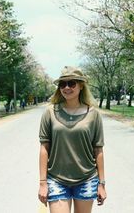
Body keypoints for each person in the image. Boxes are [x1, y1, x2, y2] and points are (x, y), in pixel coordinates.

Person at [38, 66, 107, 213]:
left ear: (81, 85)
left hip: (86, 179)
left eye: (72, 83)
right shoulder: (50, 112)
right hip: (56, 179)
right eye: (62, 84)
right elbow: (44, 148)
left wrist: (102, 183)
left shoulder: (93, 114)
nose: (66, 87)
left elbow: (98, 149)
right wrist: (43, 183)